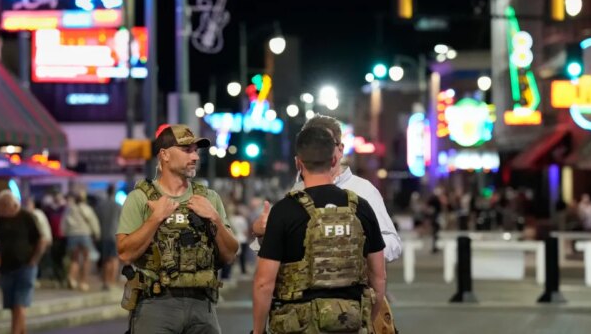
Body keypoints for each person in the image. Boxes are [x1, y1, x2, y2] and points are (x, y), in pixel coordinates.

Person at [252, 114, 401, 334]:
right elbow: (380, 277)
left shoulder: (364, 193)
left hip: (300, 321)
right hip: (347, 318)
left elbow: (264, 281)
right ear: (333, 157)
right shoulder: (358, 205)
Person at [116, 124, 238, 333]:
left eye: (195, 151)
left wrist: (215, 218)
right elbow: (125, 253)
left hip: (202, 304)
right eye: (186, 150)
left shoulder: (208, 198)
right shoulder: (141, 198)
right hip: (157, 304)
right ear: (164, 155)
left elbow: (230, 255)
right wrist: (155, 219)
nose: (195, 157)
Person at [0, 191, 44, 334]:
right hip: (7, 268)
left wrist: (34, 260)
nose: (2, 208)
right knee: (13, 307)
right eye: (0, 206)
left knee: (19, 305)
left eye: (5, 205)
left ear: (14, 204)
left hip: (25, 266)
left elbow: (41, 240)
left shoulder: (27, 217)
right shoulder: (0, 220)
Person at [62, 190, 101, 291]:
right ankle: (83, 282)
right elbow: (93, 222)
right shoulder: (87, 209)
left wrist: (65, 233)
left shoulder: (70, 209)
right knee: (86, 259)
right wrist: (96, 234)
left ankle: (71, 277)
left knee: (74, 259)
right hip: (84, 235)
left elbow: (64, 223)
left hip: (72, 235)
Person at [95, 184, 122, 290]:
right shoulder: (118, 206)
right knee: (114, 259)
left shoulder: (100, 206)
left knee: (105, 259)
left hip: (103, 235)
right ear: (114, 192)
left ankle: (105, 281)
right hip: (115, 235)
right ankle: (112, 282)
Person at [25, 198, 52, 284]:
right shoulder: (38, 213)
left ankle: (34, 279)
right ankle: (36, 278)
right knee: (39, 260)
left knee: (35, 260)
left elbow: (38, 230)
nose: (26, 207)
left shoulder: (35, 214)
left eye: (28, 205)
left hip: (43, 240)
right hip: (45, 239)